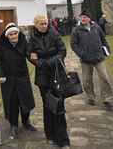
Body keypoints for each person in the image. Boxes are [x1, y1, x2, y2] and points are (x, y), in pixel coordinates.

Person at [27, 14, 70, 148]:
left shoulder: (54, 33)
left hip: (57, 73)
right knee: (47, 105)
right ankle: (50, 135)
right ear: (36, 25)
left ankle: (63, 140)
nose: (44, 26)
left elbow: (62, 51)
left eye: (45, 23)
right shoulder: (32, 37)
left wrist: (48, 61)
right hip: (42, 77)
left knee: (58, 105)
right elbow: (30, 55)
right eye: (41, 24)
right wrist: (40, 63)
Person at [0, 23, 37, 139]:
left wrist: (36, 58)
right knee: (12, 102)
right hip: (8, 79)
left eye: (15, 33)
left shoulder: (23, 42)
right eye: (11, 34)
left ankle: (26, 121)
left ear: (18, 33)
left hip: (22, 77)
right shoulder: (1, 45)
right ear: (7, 36)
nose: (13, 36)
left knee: (25, 101)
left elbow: (29, 54)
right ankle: (14, 125)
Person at [70, 9, 113, 109]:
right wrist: (81, 53)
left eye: (85, 17)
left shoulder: (96, 27)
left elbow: (103, 39)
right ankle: (91, 97)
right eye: (81, 17)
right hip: (86, 59)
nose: (82, 19)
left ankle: (107, 99)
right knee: (87, 80)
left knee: (104, 77)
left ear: (89, 18)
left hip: (99, 58)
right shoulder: (76, 29)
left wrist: (107, 49)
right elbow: (73, 44)